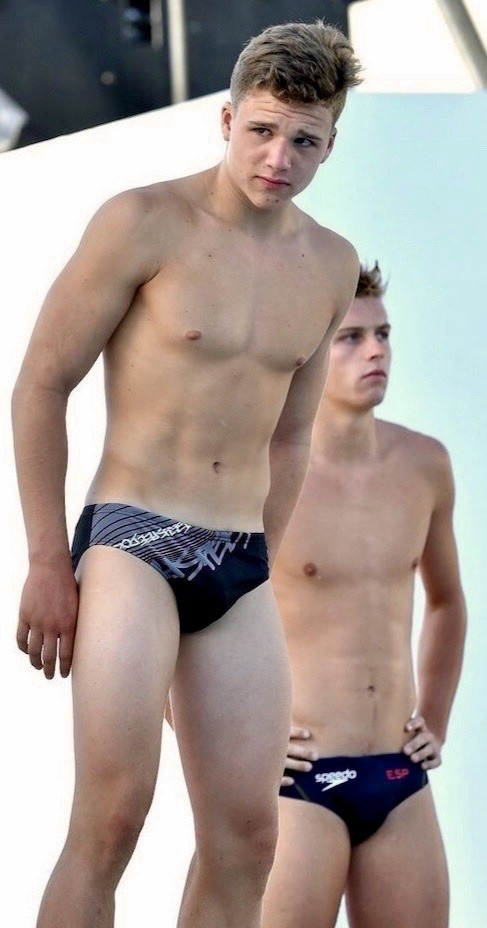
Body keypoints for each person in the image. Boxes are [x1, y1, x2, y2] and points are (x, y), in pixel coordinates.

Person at [11, 20, 362, 928]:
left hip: (236, 561)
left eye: (304, 141)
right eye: (262, 130)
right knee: (112, 820)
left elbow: (290, 438)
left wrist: (259, 567)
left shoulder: (329, 265)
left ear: (330, 143)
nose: (278, 158)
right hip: (133, 538)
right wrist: (47, 560)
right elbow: (41, 385)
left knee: (247, 839)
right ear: (227, 119)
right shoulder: (142, 222)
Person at [262, 262, 467, 928]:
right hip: (298, 781)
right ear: (307, 352)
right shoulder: (260, 473)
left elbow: (446, 601)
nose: (376, 350)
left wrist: (433, 718)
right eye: (351, 338)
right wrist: (228, 748)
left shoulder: (425, 464)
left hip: (399, 778)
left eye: (383, 334)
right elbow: (188, 613)